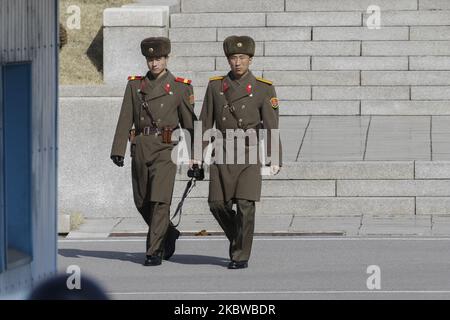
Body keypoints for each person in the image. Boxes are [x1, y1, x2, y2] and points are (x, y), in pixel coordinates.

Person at [110, 37, 196, 266]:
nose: (154, 64)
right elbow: (124, 119)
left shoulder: (180, 87)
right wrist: (118, 149)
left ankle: (154, 251)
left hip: (166, 148)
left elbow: (189, 125)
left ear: (167, 59)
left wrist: (194, 157)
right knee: (141, 201)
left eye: (158, 59)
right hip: (139, 147)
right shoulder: (135, 86)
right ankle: (167, 231)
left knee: (160, 201)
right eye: (150, 59)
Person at [198, 35, 282, 269]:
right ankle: (240, 237)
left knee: (245, 205)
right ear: (228, 59)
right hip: (222, 151)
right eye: (233, 58)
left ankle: (240, 255)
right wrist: (197, 154)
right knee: (217, 204)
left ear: (250, 59)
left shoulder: (263, 88)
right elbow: (205, 122)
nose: (237, 62)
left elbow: (272, 125)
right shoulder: (216, 86)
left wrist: (274, 156)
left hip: (248, 151)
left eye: (242, 58)